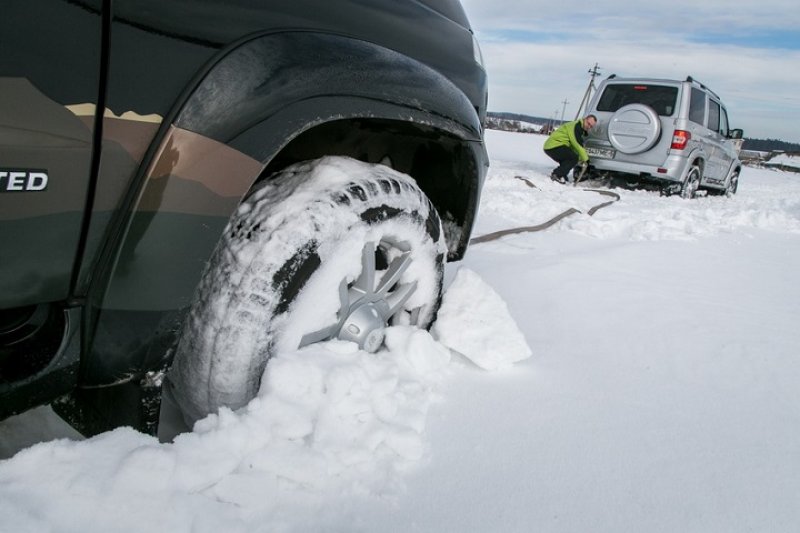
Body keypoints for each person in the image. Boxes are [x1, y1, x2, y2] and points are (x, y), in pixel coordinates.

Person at [543, 115, 597, 183]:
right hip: (554, 145)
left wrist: (581, 159)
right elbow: (577, 144)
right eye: (588, 123)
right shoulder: (576, 126)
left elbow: (574, 147)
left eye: (591, 126)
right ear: (584, 119)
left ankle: (562, 175)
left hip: (555, 145)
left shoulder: (579, 128)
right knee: (573, 158)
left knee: (568, 159)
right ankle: (556, 175)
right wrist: (586, 159)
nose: (588, 126)